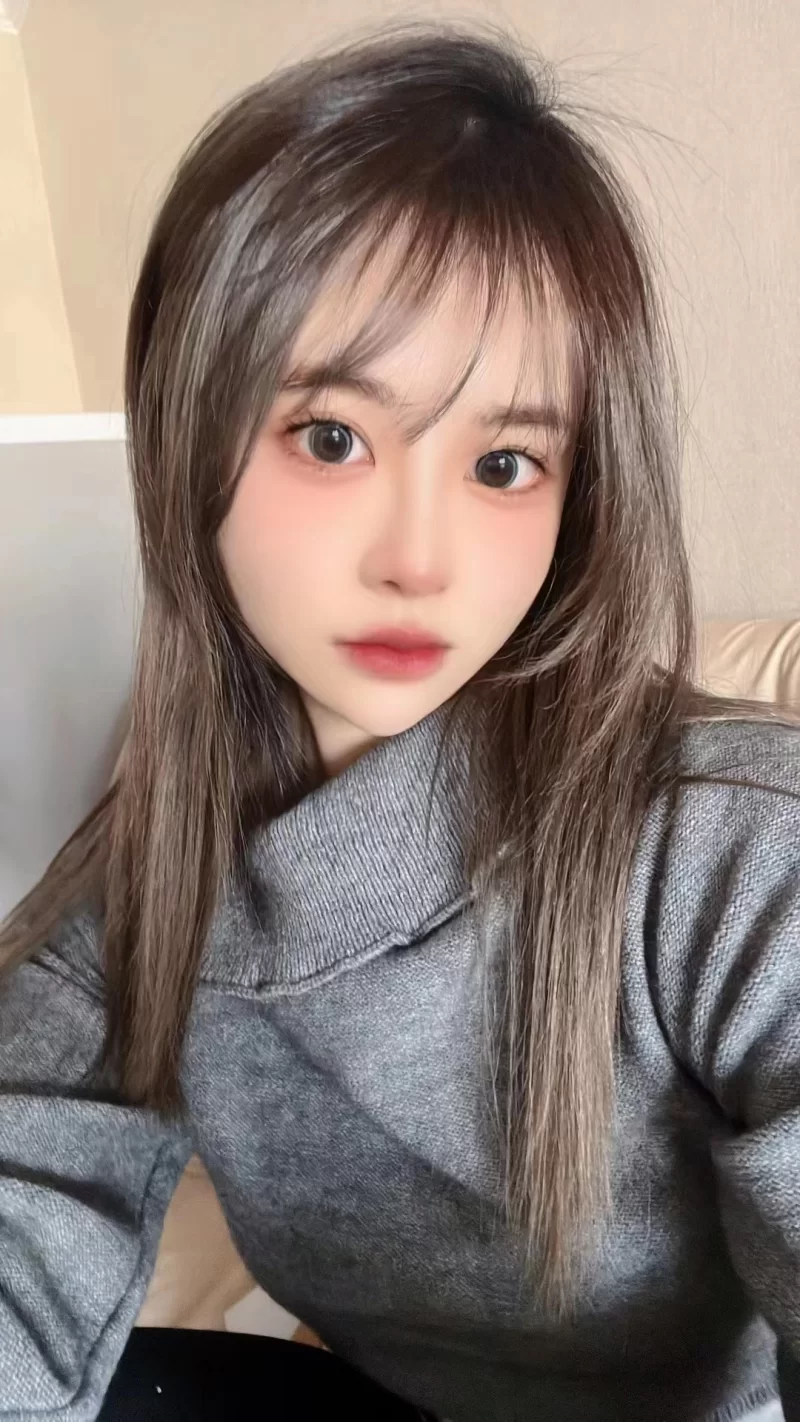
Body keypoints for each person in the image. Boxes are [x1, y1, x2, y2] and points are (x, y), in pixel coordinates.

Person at [1, 20, 798, 1422]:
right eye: (332, 437)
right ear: (188, 436)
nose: (420, 562)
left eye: (505, 462)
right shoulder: (145, 887)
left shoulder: (731, 851)